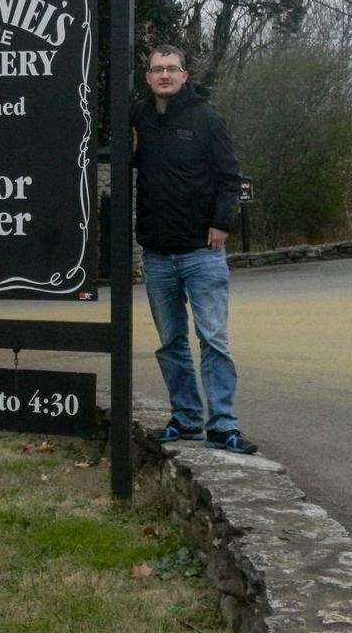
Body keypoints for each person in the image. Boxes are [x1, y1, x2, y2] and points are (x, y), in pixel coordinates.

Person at [132, 45, 258, 454]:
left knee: (213, 340)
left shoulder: (207, 119)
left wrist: (221, 223)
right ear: (148, 78)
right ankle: (185, 420)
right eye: (157, 69)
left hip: (201, 253)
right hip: (156, 254)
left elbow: (229, 176)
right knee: (171, 343)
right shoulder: (139, 119)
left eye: (171, 69)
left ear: (185, 76)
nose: (164, 75)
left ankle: (222, 425)